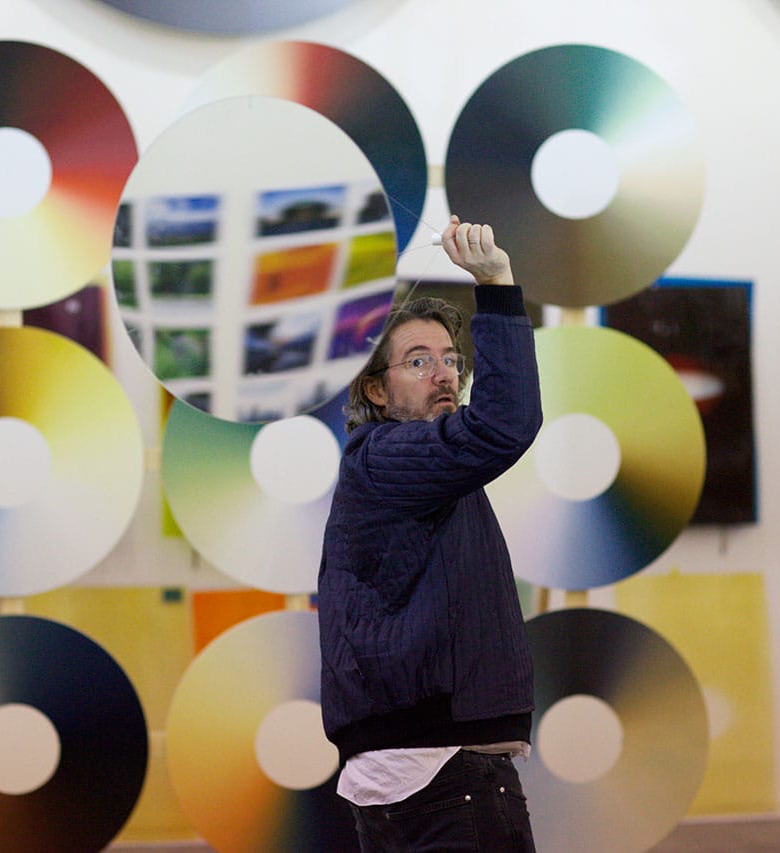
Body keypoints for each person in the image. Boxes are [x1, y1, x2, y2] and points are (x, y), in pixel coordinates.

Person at [317, 215, 543, 852]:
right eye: (418, 361)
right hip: (442, 779)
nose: (444, 373)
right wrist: (497, 286)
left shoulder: (412, 471)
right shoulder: (385, 457)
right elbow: (504, 426)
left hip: (421, 774)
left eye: (451, 359)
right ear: (375, 391)